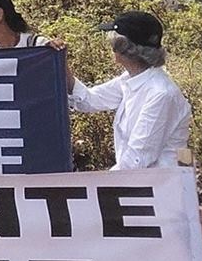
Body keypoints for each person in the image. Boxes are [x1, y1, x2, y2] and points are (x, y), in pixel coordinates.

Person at [68, 11, 191, 170]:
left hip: (164, 189)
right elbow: (89, 100)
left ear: (122, 47)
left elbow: (136, 160)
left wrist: (93, 186)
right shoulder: (131, 79)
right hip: (143, 186)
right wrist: (60, 63)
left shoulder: (161, 94)